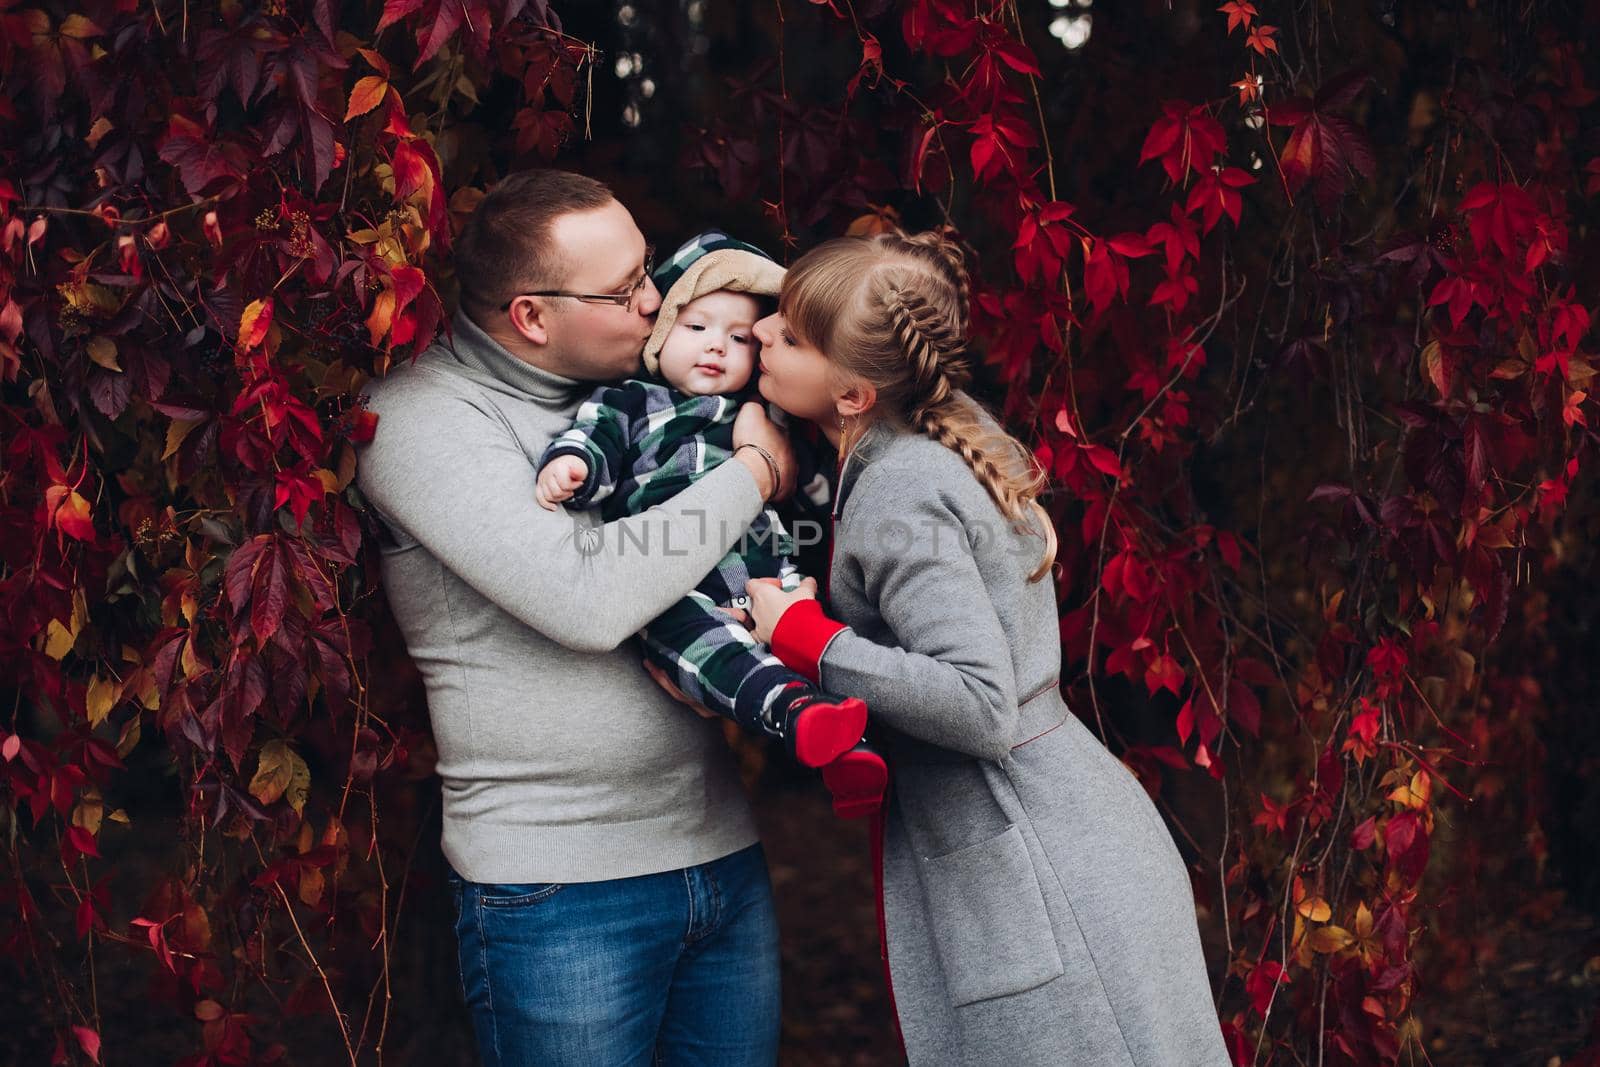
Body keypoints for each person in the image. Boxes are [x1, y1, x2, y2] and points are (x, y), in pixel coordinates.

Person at [737, 230, 1234, 1065]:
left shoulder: (900, 488)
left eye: (789, 334)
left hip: (1045, 873)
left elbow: (977, 703)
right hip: (1056, 839)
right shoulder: (917, 446)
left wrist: (805, 637)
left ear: (854, 391)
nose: (758, 334)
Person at [354, 170, 792, 1067]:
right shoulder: (418, 421)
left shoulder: (672, 385)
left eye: (649, 272)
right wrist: (753, 474)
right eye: (627, 287)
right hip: (558, 889)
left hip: (720, 853)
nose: (657, 299)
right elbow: (587, 597)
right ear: (531, 317)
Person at [533, 230, 868, 770]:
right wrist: (575, 466)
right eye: (696, 327)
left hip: (765, 575)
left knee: (818, 635)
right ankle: (801, 715)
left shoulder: (762, 410)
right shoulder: (631, 401)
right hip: (674, 584)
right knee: (710, 652)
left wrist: (822, 494)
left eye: (740, 340)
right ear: (661, 334)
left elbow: (810, 485)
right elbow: (595, 438)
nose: (717, 346)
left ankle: (848, 738)